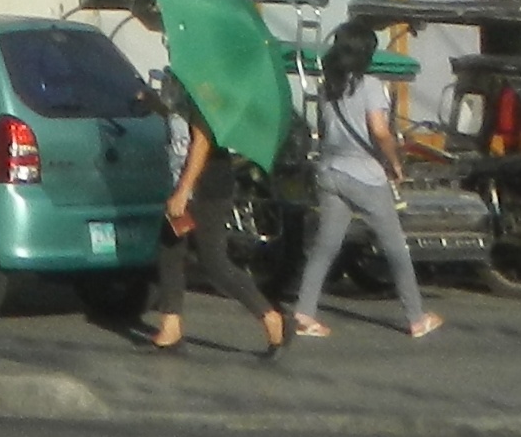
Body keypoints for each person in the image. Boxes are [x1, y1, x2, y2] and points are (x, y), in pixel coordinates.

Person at [292, 36, 439, 341]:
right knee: (396, 248)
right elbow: (380, 131)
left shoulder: (327, 86)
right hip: (365, 176)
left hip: (330, 171)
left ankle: (305, 312)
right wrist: (395, 163)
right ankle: (416, 317)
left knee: (325, 245)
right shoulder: (370, 85)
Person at [144, 98, 290, 358]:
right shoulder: (182, 86)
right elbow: (179, 122)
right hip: (181, 181)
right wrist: (155, 104)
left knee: (213, 261)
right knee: (170, 250)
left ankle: (271, 316)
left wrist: (184, 191)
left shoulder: (204, 92)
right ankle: (171, 326)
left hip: (206, 187)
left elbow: (201, 143)